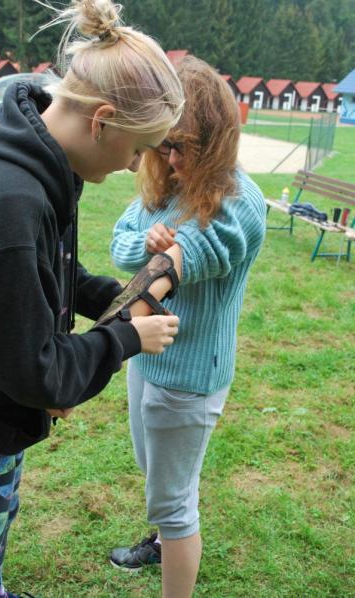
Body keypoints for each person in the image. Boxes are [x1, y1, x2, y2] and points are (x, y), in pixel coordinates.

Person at [0, 1, 185, 597]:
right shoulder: (9, 201)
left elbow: (51, 272)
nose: (137, 163)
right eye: (140, 147)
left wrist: (119, 294)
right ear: (102, 119)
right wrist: (127, 337)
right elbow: (35, 371)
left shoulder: (43, 172)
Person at [109, 56, 266, 598]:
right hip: (147, 358)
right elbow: (122, 243)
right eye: (164, 144)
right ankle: (162, 541)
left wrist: (98, 338)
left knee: (174, 501)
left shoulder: (241, 202)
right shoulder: (164, 185)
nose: (171, 158)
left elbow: (185, 259)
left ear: (216, 140)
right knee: (158, 474)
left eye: (184, 145)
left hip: (190, 375)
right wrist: (150, 241)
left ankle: (172, 559)